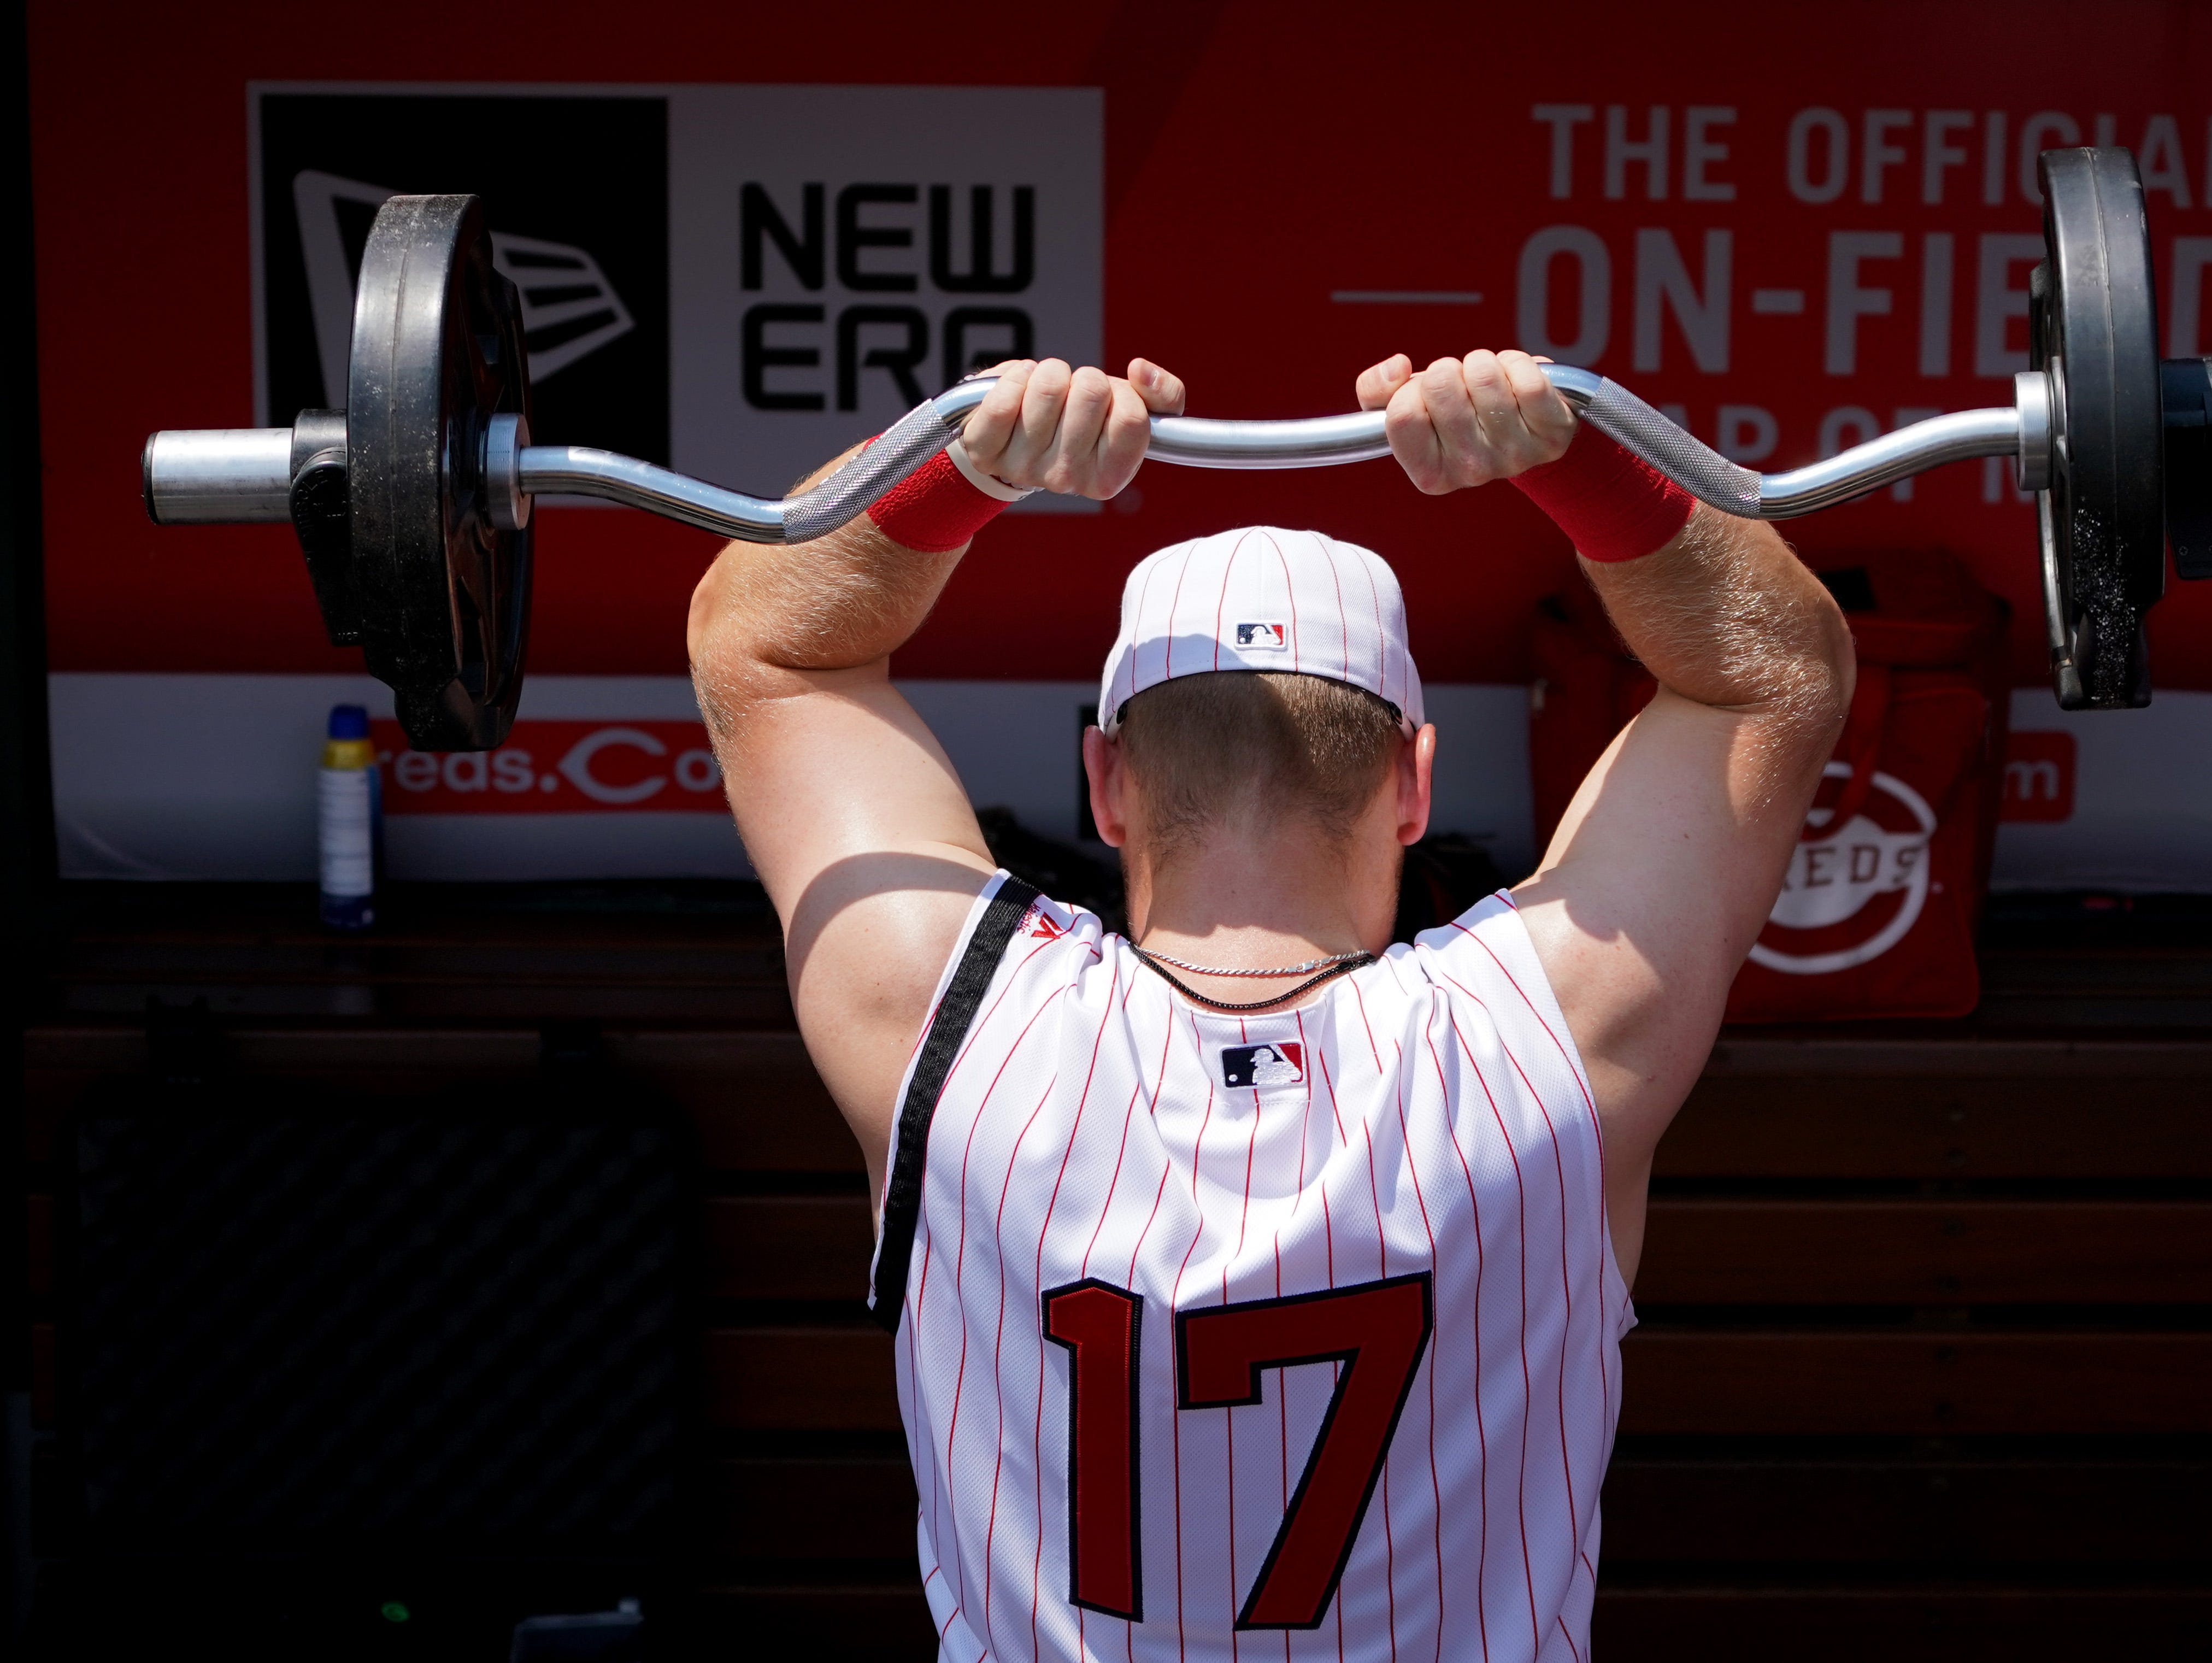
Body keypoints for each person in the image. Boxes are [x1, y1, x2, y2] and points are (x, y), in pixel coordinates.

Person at [687, 350, 1851, 1661]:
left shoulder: (949, 1021)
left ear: (1106, 782)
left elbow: (763, 642)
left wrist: (966, 452)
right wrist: (1566, 447)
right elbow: (1776, 667)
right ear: (1414, 784)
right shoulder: (1545, 1034)